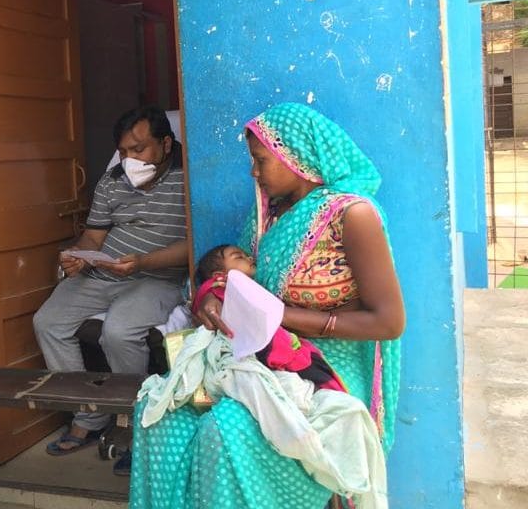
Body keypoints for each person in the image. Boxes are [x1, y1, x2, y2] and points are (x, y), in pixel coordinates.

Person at [130, 102, 405, 508]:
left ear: (296, 157)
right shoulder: (269, 217)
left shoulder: (353, 215)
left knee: (226, 433)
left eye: (261, 161)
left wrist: (284, 318)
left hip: (327, 364)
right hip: (261, 353)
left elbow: (389, 322)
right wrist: (210, 297)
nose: (253, 173)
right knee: (158, 414)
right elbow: (228, 270)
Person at [33, 106, 190, 471]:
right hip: (102, 274)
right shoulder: (112, 182)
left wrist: (142, 262)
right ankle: (89, 417)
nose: (130, 159)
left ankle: (137, 426)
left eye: (140, 149)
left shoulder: (188, 181)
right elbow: (94, 236)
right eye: (124, 152)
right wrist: (77, 256)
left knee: (118, 332)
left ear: (166, 144)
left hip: (156, 278)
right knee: (48, 322)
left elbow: (191, 246)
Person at [193, 244, 345, 392]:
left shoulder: (247, 287)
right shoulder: (222, 290)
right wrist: (209, 290)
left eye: (247, 255)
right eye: (239, 257)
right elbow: (205, 296)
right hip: (270, 352)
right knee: (312, 373)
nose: (250, 258)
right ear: (219, 275)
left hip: (272, 350)